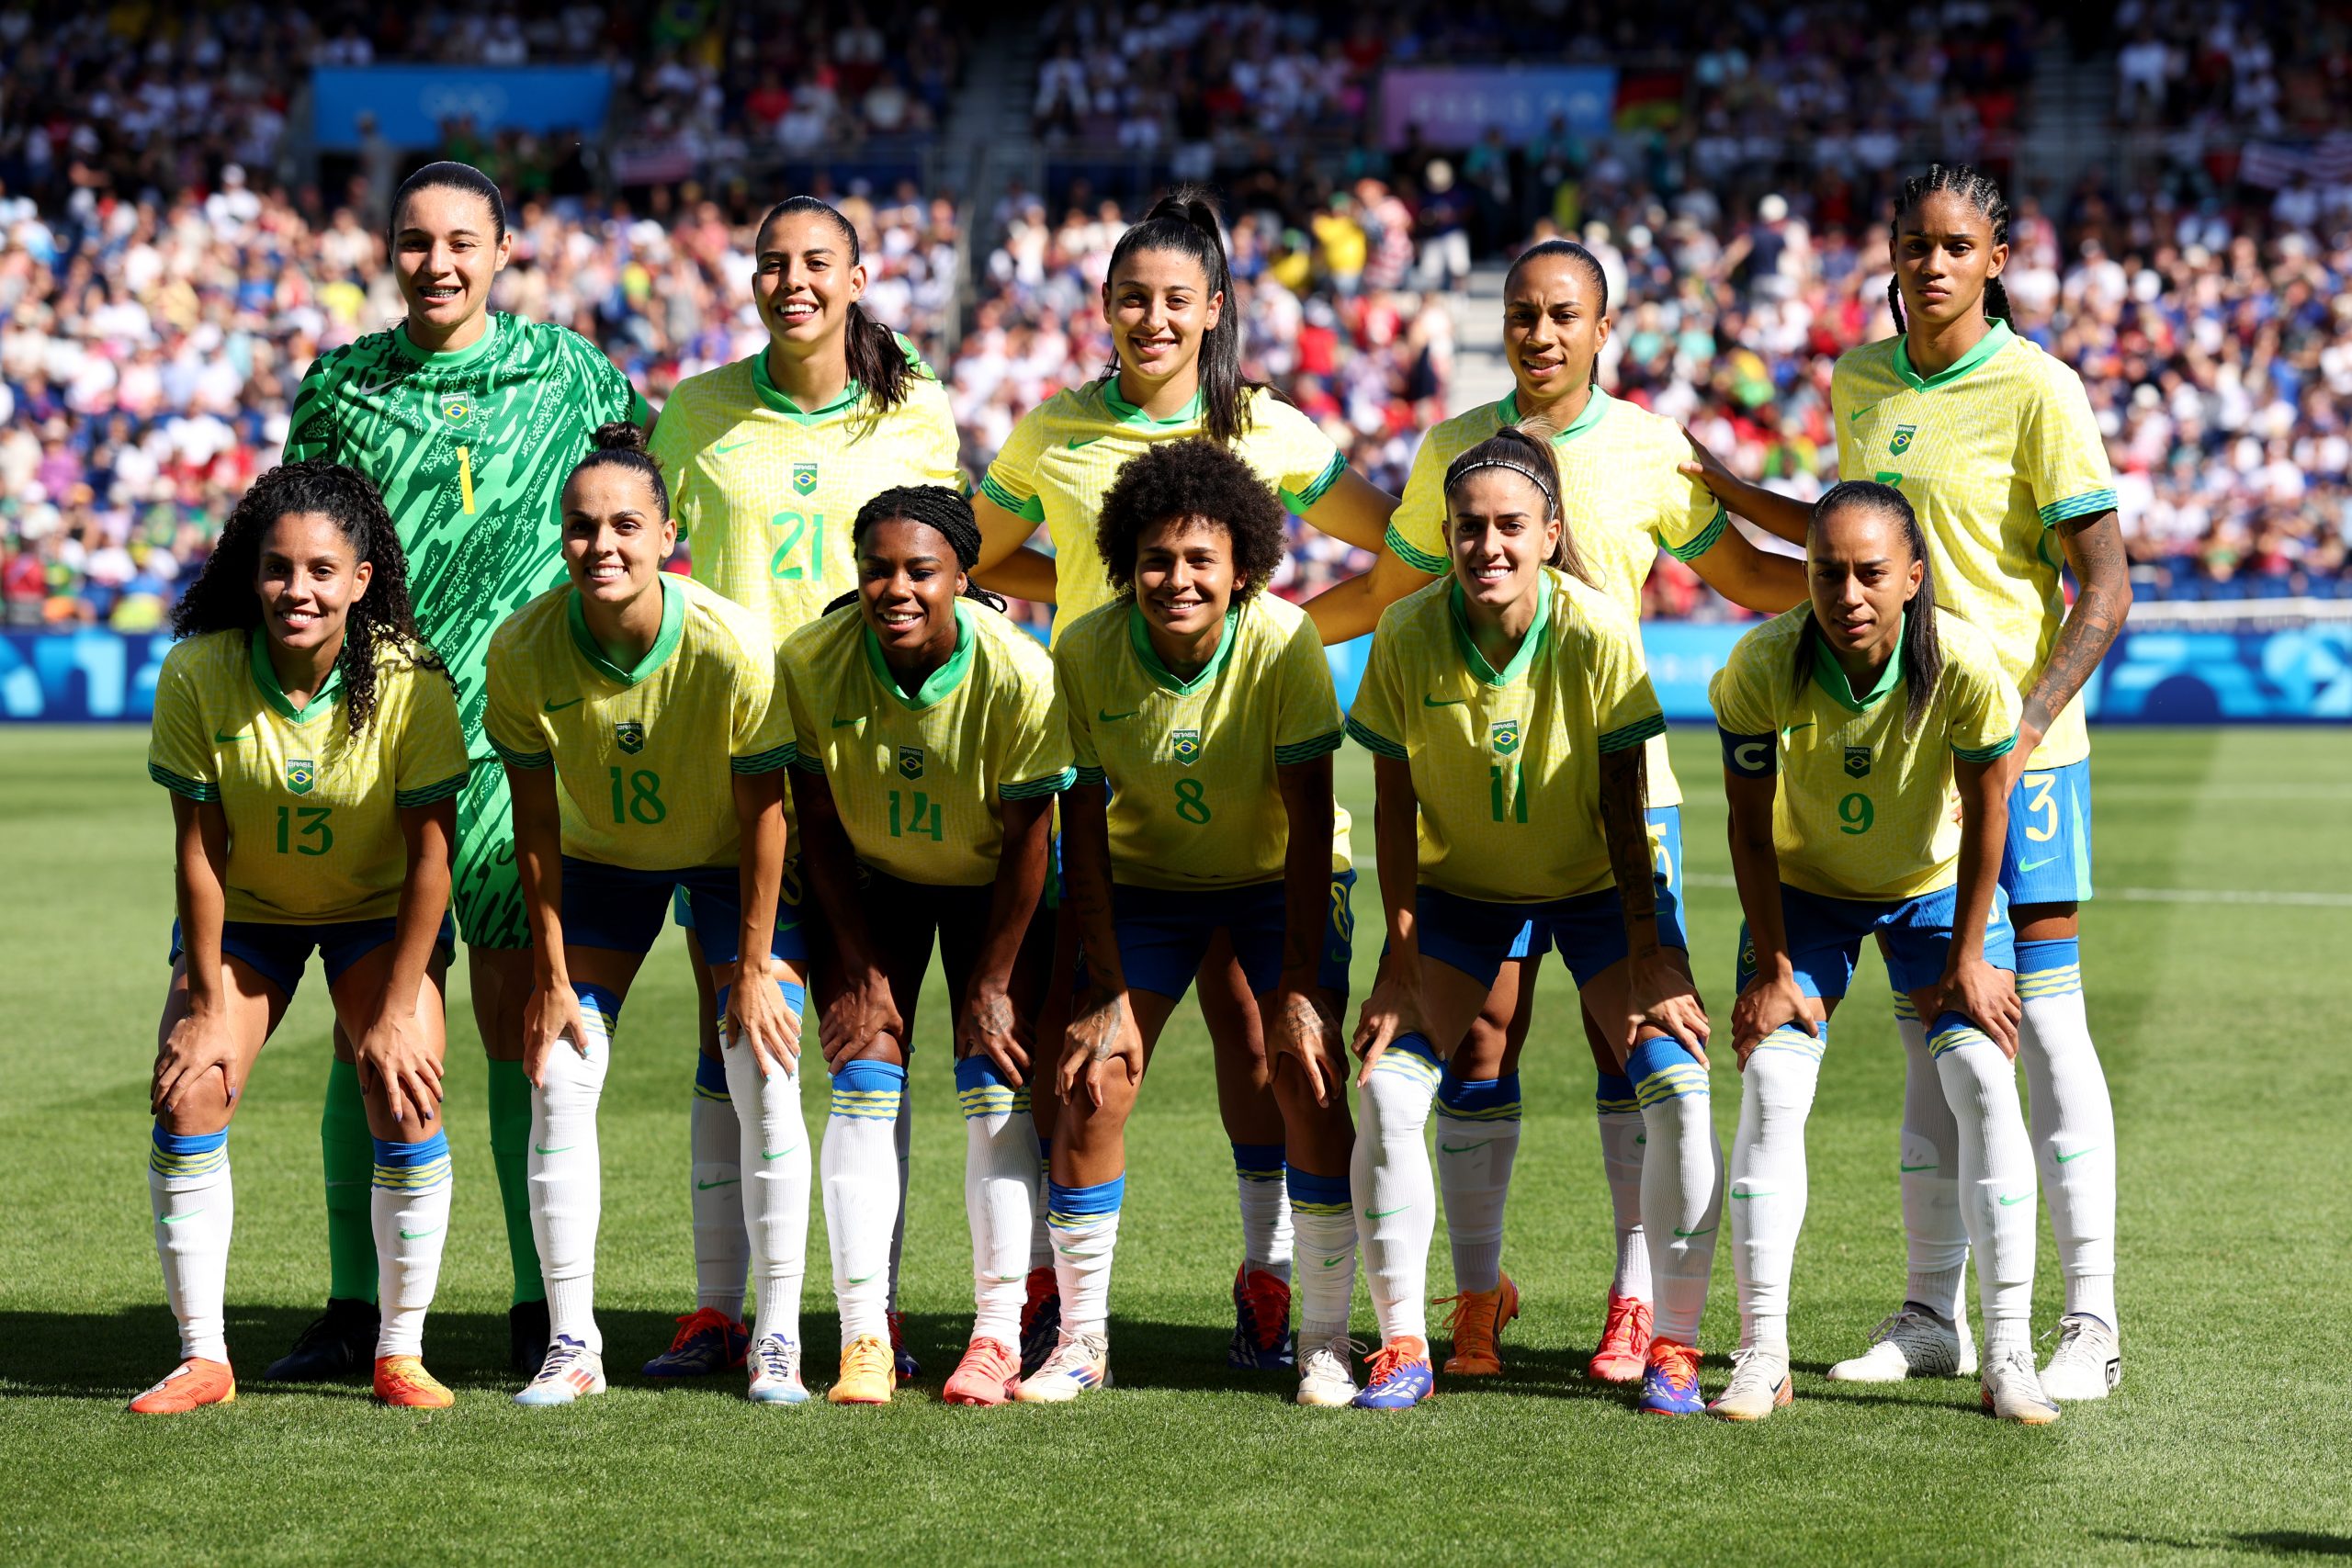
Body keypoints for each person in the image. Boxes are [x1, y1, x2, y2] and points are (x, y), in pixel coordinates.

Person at [1306, 239, 1804, 1383]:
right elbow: (1390, 594)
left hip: (1617, 803)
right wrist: (1266, 626)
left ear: (1601, 328)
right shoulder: (1452, 453)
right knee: (1482, 1038)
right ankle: (1473, 1301)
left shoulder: (1645, 449)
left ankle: (1637, 1302)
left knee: (1625, 1043)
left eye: (1561, 315)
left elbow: (1751, 581)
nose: (1539, 333)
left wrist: (1857, 582)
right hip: (1472, 809)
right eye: (1521, 313)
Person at [1684, 164, 2131, 1400]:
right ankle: (1935, 1307)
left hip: (2009, 752)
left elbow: (2106, 585)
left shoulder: (2040, 386)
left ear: (1996, 258)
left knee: (2036, 1024)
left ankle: (2088, 1315)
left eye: (1954, 244)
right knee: (1932, 1028)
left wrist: (2030, 724)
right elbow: (1851, 533)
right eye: (1911, 243)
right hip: (1895, 746)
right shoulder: (1859, 379)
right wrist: (1726, 489)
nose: (1930, 264)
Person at [970, 188, 1397, 1369]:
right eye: (1130, 300)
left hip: (1250, 780)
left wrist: (1292, 627)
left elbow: (1400, 544)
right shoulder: (1055, 431)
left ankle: (1271, 1282)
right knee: (1077, 1049)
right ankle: (1058, 1305)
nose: (1150, 320)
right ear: (1102, 308)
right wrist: (1094, 602)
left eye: (1174, 300)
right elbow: (981, 555)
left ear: (1214, 310)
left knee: (1264, 1049)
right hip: (1110, 770)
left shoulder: (1273, 428)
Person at [280, 161, 651, 1380]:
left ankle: (547, 1310)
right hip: (373, 740)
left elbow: (635, 505)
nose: (436, 261)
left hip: (515, 741)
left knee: (517, 1015)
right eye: (413, 241)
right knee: (367, 1019)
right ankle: (357, 1308)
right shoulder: (340, 386)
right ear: (388, 252)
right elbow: (303, 545)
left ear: (504, 252)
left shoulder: (577, 375)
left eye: (461, 241)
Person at [645, 194, 962, 1383]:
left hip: (874, 767)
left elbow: (944, 570)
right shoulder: (697, 413)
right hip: (735, 771)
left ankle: (867, 1314)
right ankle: (720, 1309)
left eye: (816, 263)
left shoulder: (913, 412)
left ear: (858, 276)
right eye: (773, 263)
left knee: (869, 1031)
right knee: (734, 1029)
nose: (792, 282)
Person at [1343, 425, 1722, 1414]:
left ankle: (1671, 1344)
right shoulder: (1405, 632)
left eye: (1511, 525)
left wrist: (1649, 954)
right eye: (1469, 529)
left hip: (1595, 893)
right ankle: (1406, 1345)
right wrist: (1396, 962)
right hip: (1461, 899)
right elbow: (1392, 806)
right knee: (1387, 1092)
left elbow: (1625, 801)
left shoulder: (1596, 630)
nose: (1488, 546)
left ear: (1551, 533)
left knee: (1676, 1088)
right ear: (1447, 535)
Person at [1018, 440, 1360, 1407]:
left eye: (1200, 560)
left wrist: (1298, 989)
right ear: (1127, 562)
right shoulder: (1083, 647)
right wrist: (1105, 987)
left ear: (1241, 568)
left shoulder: (1286, 642)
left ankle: (1320, 1335)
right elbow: (1077, 830)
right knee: (1094, 1080)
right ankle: (1083, 1343)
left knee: (1304, 1070)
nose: (1177, 579)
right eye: (1158, 559)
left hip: (1273, 877)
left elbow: (1303, 825)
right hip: (1145, 883)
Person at [1708, 479, 2057, 1424]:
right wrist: (1773, 968)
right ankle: (1762, 1352)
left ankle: (2008, 1356)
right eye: (1827, 573)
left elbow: (1990, 810)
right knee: (1774, 1085)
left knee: (1984, 1083)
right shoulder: (1761, 663)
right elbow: (1746, 832)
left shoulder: (1966, 666)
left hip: (1933, 894)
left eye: (1870, 574)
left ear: (1912, 578)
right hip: (1804, 897)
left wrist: (1973, 952)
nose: (1847, 594)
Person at [135, 462, 469, 1413]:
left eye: (323, 571)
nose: (299, 591)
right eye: (279, 569)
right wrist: (204, 1011)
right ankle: (205, 1358)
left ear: (360, 580)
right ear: (252, 574)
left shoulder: (411, 681)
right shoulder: (199, 671)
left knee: (405, 1094)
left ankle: (398, 1353)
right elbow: (197, 855)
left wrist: (402, 1007)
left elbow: (430, 861)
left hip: (375, 915)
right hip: (248, 917)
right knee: (190, 1091)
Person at [482, 428, 804, 1407]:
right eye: (581, 528)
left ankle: (777, 1339)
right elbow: (532, 825)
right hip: (604, 866)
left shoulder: (731, 644)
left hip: (724, 860)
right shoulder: (525, 648)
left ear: (668, 534)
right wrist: (546, 975)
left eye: (626, 524)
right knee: (562, 1072)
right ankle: (573, 1344)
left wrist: (750, 969)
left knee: (761, 1057)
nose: (602, 544)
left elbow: (765, 818)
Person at [782, 485, 1071, 1406]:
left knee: (993, 1070)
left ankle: (993, 1337)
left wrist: (991, 979)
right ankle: (867, 1333)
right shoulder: (812, 661)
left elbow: (1033, 837)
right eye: (878, 569)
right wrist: (861, 971)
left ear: (962, 577)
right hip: (876, 881)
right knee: (863, 1065)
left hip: (997, 886)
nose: (896, 588)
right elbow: (817, 826)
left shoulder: (1019, 673)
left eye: (920, 570)